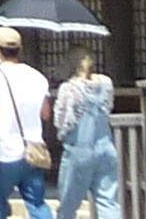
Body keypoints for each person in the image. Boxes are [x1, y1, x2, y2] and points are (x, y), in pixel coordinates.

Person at [0, 25, 53, 219]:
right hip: (33, 149)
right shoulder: (37, 77)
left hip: (5, 152)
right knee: (37, 203)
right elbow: (46, 113)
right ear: (20, 49)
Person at [52, 47, 122, 219]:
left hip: (79, 149)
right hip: (106, 147)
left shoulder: (69, 88)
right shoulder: (106, 83)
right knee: (108, 201)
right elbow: (108, 107)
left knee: (68, 205)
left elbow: (62, 122)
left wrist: (62, 136)